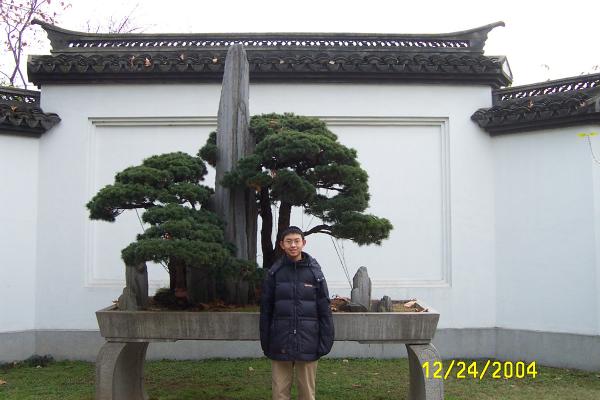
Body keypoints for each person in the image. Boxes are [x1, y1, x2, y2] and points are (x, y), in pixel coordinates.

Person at [259, 226, 334, 400]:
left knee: (307, 393)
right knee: (279, 392)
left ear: (303, 243)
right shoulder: (274, 273)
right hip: (280, 340)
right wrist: (266, 340)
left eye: (296, 241)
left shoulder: (315, 272)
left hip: (308, 341)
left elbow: (324, 310)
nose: (293, 245)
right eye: (289, 241)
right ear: (282, 245)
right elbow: (266, 310)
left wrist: (326, 341)